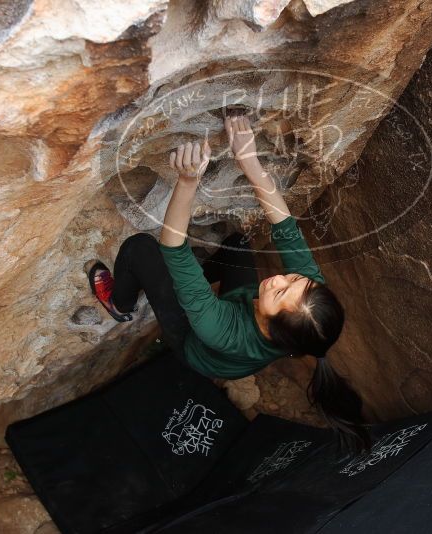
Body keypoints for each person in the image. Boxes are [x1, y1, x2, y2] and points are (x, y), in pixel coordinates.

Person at [88, 110, 372, 454]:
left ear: (272, 324)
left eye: (280, 291)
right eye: (294, 279)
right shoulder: (306, 297)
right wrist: (249, 161)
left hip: (194, 345)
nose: (280, 277)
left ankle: (119, 304)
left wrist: (188, 181)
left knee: (140, 249)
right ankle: (192, 287)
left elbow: (173, 248)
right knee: (237, 244)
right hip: (236, 308)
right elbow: (285, 228)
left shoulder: (219, 330)